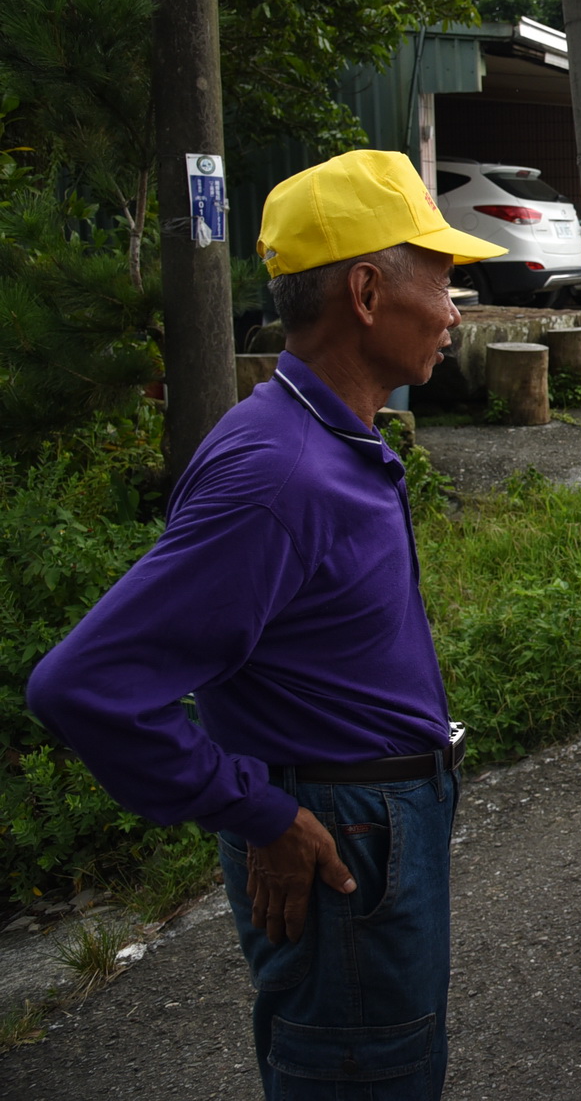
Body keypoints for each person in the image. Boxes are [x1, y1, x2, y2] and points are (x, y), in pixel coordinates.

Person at [26, 150, 505, 1100]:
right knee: (364, 1073)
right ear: (367, 291)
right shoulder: (276, 470)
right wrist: (260, 811)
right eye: (443, 278)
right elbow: (82, 685)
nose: (456, 309)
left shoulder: (326, 435)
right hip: (343, 844)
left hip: (380, 827)